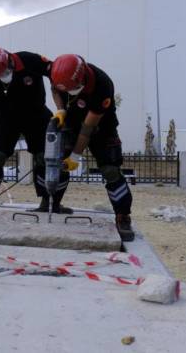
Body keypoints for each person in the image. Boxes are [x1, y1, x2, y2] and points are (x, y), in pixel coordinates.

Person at [0, 46, 71, 220]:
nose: (0, 78)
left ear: (9, 61)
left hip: (36, 115)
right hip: (6, 118)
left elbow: (56, 77)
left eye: (2, 73)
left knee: (47, 157)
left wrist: (61, 109)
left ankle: (49, 202)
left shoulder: (30, 60)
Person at [50, 54, 134, 241]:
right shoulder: (59, 73)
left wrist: (76, 156)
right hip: (72, 123)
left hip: (102, 128)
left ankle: (123, 215)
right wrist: (61, 108)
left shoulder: (102, 85)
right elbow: (55, 90)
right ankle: (52, 205)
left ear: (80, 79)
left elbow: (88, 128)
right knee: (59, 165)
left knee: (111, 171)